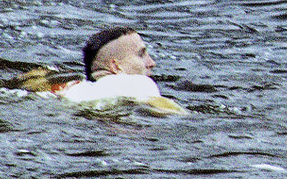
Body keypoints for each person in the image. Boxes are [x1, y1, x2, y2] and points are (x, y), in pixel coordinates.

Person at [30, 26, 186, 115]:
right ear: (116, 67)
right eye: (141, 54)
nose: (151, 63)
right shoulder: (138, 83)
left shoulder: (74, 87)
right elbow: (164, 108)